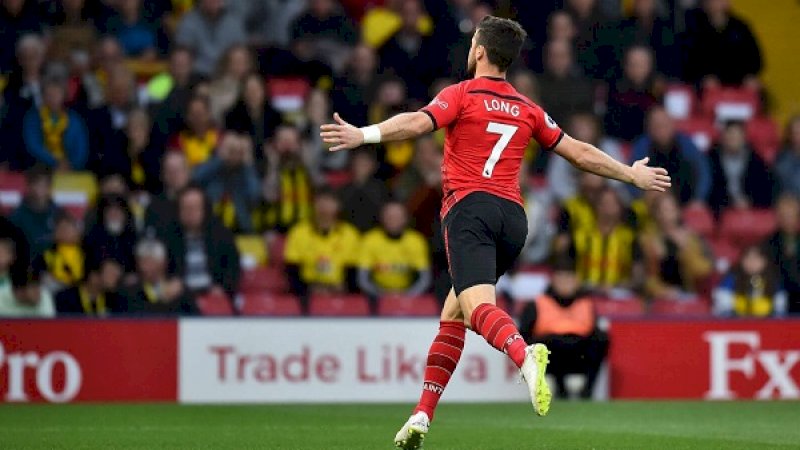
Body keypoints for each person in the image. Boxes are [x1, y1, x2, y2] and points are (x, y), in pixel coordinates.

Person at [320, 15, 670, 448]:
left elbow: (417, 122)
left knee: (478, 307)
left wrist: (365, 134)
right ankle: (420, 417)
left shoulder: (462, 94)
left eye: (472, 43)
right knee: (455, 313)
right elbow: (577, 152)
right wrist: (629, 176)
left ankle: (525, 355)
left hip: (470, 211)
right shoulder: (527, 107)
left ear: (480, 50)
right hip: (513, 219)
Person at [518, 254, 608, 399]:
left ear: (577, 281)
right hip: (550, 358)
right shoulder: (537, 304)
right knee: (549, 344)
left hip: (579, 354)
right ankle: (561, 390)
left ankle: (587, 392)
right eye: (561, 279)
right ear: (553, 280)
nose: (565, 283)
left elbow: (595, 332)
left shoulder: (586, 303)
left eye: (569, 279)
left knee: (601, 339)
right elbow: (523, 335)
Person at [284, 189, 360, 313]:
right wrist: (309, 289)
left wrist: (343, 288)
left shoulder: (350, 234)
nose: (324, 207)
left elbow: (353, 271)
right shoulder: (299, 232)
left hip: (341, 294)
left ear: (338, 206)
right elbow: (292, 269)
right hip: (307, 293)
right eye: (320, 202)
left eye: (329, 202)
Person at [164, 185, 240, 300]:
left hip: (214, 295)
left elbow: (233, 268)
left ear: (204, 209)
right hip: (181, 297)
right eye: (185, 208)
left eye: (194, 208)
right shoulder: (170, 237)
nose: (189, 213)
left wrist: (223, 288)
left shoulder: (221, 235)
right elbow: (165, 270)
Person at [358, 201, 431, 312]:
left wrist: (406, 295)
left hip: (409, 296)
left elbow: (424, 279)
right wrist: (382, 294)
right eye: (389, 216)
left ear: (405, 219)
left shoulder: (416, 241)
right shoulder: (370, 240)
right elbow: (362, 279)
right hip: (376, 297)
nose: (393, 220)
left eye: (397, 217)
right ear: (382, 218)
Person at [639, 194, 713, 300]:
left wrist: (686, 249)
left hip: (688, 296)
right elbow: (647, 279)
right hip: (658, 300)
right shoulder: (648, 240)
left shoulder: (691, 238)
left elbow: (703, 272)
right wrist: (664, 292)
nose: (667, 214)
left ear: (678, 211)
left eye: (670, 209)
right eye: (663, 210)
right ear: (656, 214)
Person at [708, 121, 774, 214]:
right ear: (723, 138)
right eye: (730, 136)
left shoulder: (756, 161)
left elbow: (765, 189)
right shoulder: (711, 160)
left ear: (744, 138)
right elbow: (711, 190)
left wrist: (749, 202)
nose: (733, 140)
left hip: (751, 208)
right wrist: (730, 202)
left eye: (737, 136)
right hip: (720, 209)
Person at [121, 238, 197, 316]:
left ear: (163, 263)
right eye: (141, 261)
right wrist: (163, 301)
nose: (143, 267)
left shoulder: (179, 291)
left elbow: (196, 320)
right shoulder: (131, 291)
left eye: (149, 262)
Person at [712, 244, 787, 317]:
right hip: (737, 323)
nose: (751, 262)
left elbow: (780, 310)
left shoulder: (772, 281)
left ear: (764, 261)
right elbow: (722, 308)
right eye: (748, 258)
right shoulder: (732, 279)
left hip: (767, 324)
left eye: (756, 259)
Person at [10, 166, 64, 259]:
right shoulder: (17, 215)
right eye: (37, 184)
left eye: (45, 184)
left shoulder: (58, 212)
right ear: (29, 186)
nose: (41, 189)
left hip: (54, 263)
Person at [764, 194, 800, 314]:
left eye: (791, 216)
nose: (787, 220)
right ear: (778, 217)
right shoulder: (768, 243)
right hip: (778, 297)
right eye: (784, 216)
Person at [55, 257, 124, 317]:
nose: (117, 278)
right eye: (111, 274)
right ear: (93, 276)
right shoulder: (65, 299)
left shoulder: (115, 301)